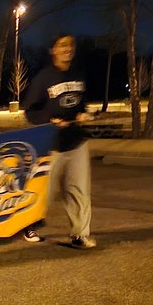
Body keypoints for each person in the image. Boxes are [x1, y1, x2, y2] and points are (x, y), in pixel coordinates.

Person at [22, 33, 96, 249]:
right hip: (51, 145)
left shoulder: (79, 74)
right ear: (53, 50)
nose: (67, 49)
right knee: (45, 191)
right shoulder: (44, 78)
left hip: (76, 141)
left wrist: (83, 114)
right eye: (62, 45)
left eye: (71, 45)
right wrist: (50, 120)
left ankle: (79, 235)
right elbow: (30, 112)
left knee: (79, 191)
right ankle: (30, 226)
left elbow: (81, 104)